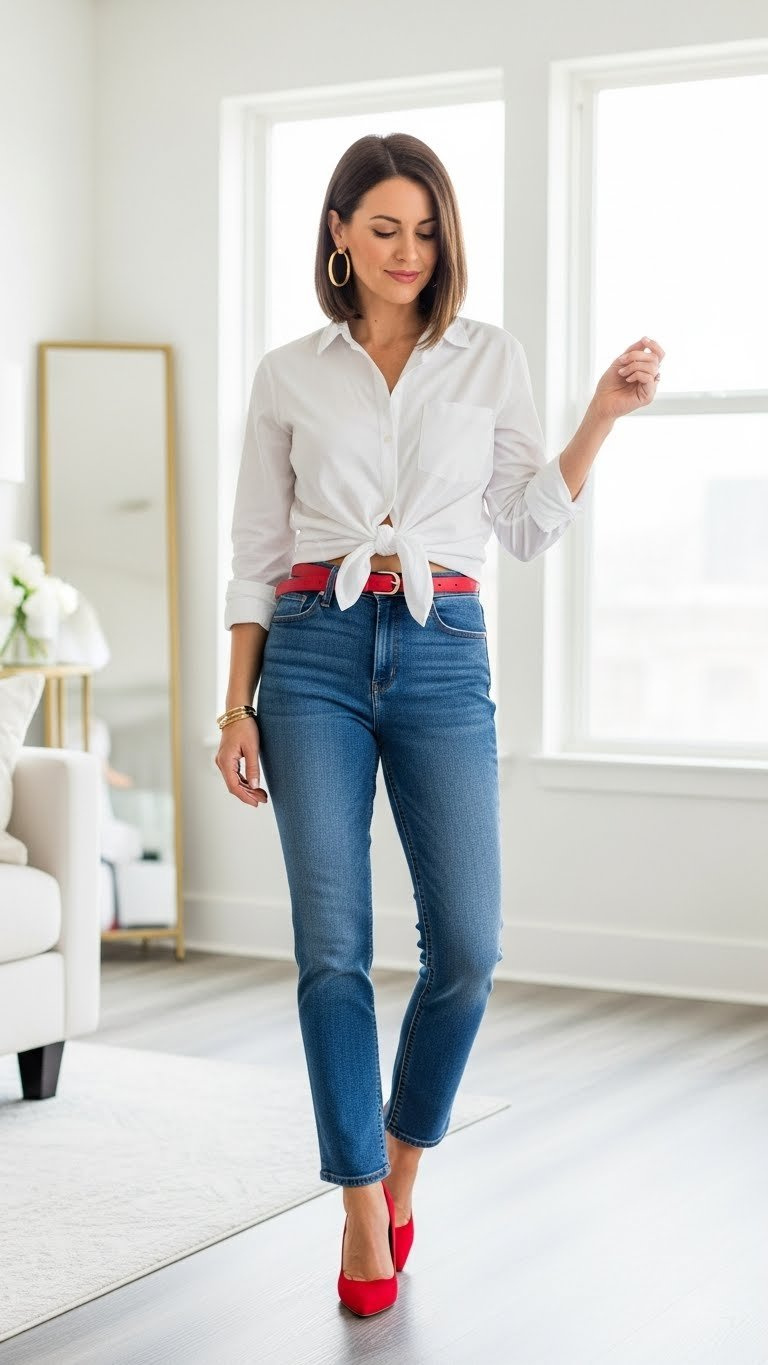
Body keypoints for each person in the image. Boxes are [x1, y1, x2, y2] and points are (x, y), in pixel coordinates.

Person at [214, 131, 664, 1318]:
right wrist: (234, 705)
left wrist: (600, 417)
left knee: (467, 945)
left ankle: (405, 1159)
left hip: (443, 646)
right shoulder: (289, 373)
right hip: (309, 650)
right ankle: (363, 1204)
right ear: (339, 234)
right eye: (383, 228)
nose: (408, 251)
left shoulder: (488, 357)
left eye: (425, 230)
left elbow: (525, 525)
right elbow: (257, 551)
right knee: (331, 948)